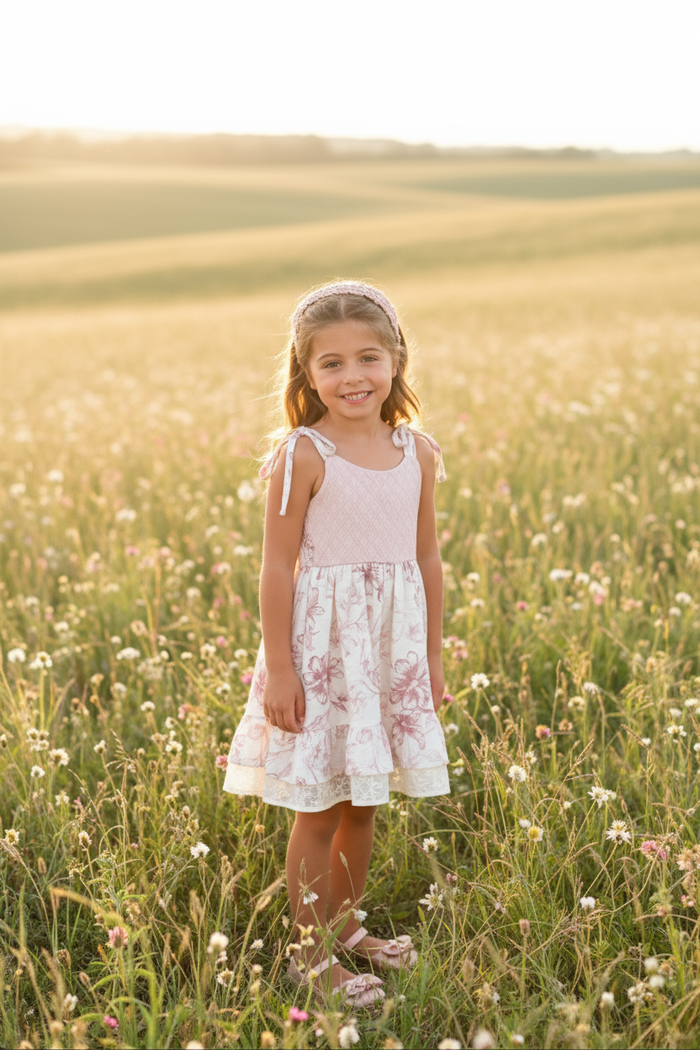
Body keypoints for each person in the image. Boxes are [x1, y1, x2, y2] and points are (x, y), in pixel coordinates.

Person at [223, 280, 450, 1007]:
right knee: (319, 807)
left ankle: (346, 927)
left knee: (366, 801)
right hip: (322, 655)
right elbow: (277, 565)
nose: (352, 377)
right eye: (331, 364)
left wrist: (432, 660)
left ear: (396, 361)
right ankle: (308, 954)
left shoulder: (416, 450)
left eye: (368, 358)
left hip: (387, 652)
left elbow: (427, 559)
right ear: (305, 372)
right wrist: (282, 669)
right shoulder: (303, 454)